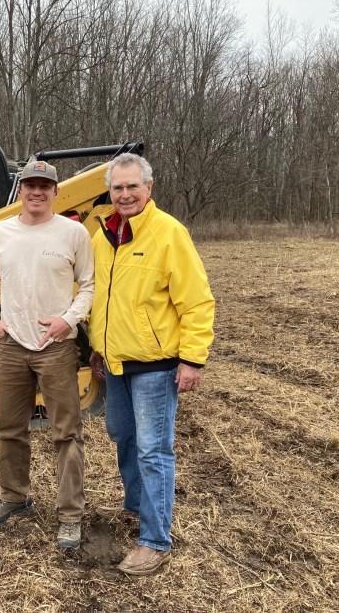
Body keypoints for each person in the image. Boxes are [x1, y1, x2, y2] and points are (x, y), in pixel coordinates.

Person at [88, 153, 214, 575]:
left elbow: (197, 301)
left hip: (156, 367)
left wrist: (192, 359)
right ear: (109, 192)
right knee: (122, 436)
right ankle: (136, 507)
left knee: (153, 450)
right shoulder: (104, 235)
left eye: (132, 186)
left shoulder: (168, 233)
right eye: (117, 188)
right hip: (116, 363)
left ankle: (155, 541)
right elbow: (102, 297)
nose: (125, 194)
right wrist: (99, 345)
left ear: (149, 188)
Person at [0, 159, 95, 550]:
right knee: (10, 428)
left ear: (56, 192)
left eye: (45, 186)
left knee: (66, 433)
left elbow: (89, 285)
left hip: (56, 348)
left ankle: (70, 514)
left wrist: (68, 319)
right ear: (21, 190)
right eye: (30, 185)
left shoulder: (73, 233)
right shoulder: (0, 233)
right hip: (10, 346)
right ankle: (14, 497)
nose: (37, 192)